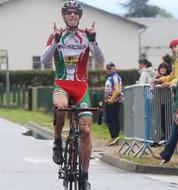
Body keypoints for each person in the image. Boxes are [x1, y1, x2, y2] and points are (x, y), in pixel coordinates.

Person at [40, 1, 104, 189]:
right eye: (69, 13)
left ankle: (84, 176)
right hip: (62, 85)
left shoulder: (86, 36)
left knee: (85, 131)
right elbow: (44, 60)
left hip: (81, 87)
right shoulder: (56, 34)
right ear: (64, 16)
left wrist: (93, 40)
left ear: (80, 16)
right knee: (60, 107)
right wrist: (55, 41)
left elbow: (100, 60)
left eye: (76, 13)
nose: (73, 16)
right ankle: (58, 141)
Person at [104, 62, 123, 146]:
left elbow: (117, 90)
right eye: (107, 68)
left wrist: (112, 99)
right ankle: (113, 137)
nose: (108, 70)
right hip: (110, 101)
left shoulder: (115, 77)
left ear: (114, 68)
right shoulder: (110, 76)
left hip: (114, 102)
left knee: (113, 120)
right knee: (109, 120)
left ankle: (115, 137)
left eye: (110, 68)